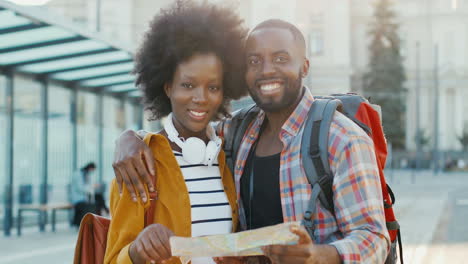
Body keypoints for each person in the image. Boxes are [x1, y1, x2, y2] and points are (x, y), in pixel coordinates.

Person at [113, 19, 390, 264]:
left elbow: (375, 238)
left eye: (281, 59)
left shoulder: (342, 138)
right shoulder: (237, 131)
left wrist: (319, 257)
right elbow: (188, 127)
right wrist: (131, 138)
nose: (266, 70)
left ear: (304, 66)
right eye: (255, 61)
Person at [103, 1, 247, 263]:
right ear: (168, 86)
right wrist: (137, 251)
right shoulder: (140, 163)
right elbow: (112, 259)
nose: (201, 98)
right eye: (188, 85)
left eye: (213, 87)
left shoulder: (228, 157)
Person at [70, 162, 97, 227]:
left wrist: (91, 187)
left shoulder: (86, 174)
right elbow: (80, 188)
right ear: (90, 168)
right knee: (86, 206)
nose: (92, 172)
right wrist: (91, 187)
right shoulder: (78, 174)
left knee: (95, 202)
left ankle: (89, 223)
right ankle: (81, 223)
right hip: (78, 198)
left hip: (83, 198)